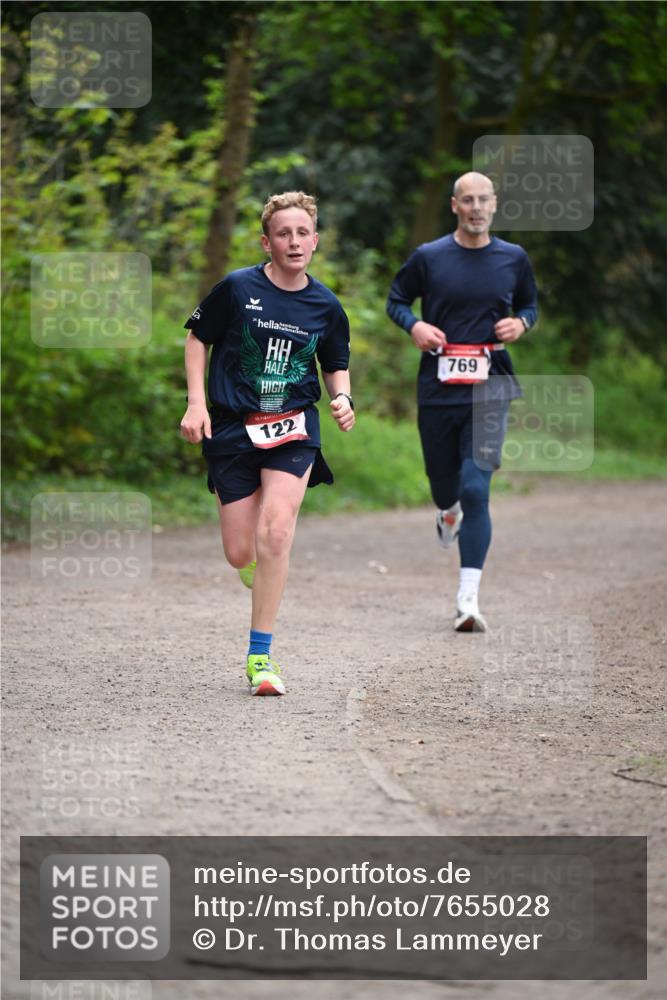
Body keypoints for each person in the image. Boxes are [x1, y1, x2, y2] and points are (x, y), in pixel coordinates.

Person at [180, 191, 355, 695]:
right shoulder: (237, 288)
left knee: (276, 530)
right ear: (267, 241)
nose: (294, 241)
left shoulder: (326, 305)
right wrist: (196, 404)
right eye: (283, 233)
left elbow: (335, 364)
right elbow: (197, 339)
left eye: (303, 233)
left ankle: (261, 657)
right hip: (234, 425)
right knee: (240, 552)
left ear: (315, 241)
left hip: (293, 426)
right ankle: (255, 562)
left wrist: (342, 398)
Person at [386, 171, 537, 632]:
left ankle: (467, 598)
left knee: (477, 488)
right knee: (445, 487)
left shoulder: (513, 258)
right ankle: (446, 512)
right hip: (438, 385)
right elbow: (396, 299)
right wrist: (414, 325)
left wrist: (522, 325)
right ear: (455, 205)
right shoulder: (429, 257)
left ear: (494, 204)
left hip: (491, 383)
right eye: (467, 200)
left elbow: (529, 305)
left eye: (483, 200)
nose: (476, 208)